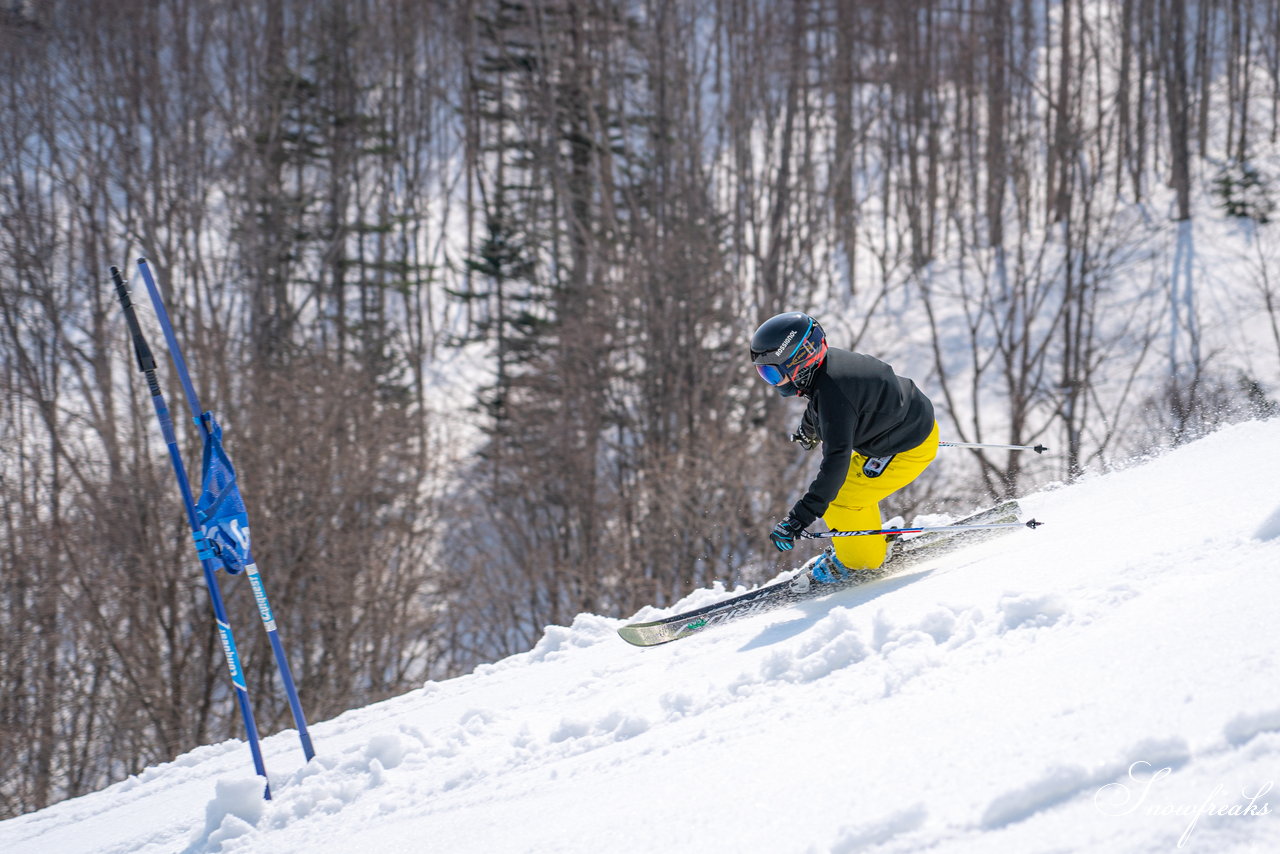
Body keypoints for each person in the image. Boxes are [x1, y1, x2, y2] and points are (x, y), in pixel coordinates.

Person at [749, 311, 939, 586]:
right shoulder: (829, 368)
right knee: (848, 492)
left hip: (908, 447)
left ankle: (862, 563)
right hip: (904, 424)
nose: (770, 381)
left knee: (841, 500)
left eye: (772, 373)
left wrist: (798, 519)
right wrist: (809, 429)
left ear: (799, 363)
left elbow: (834, 464)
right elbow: (824, 403)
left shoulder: (835, 395)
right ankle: (868, 542)